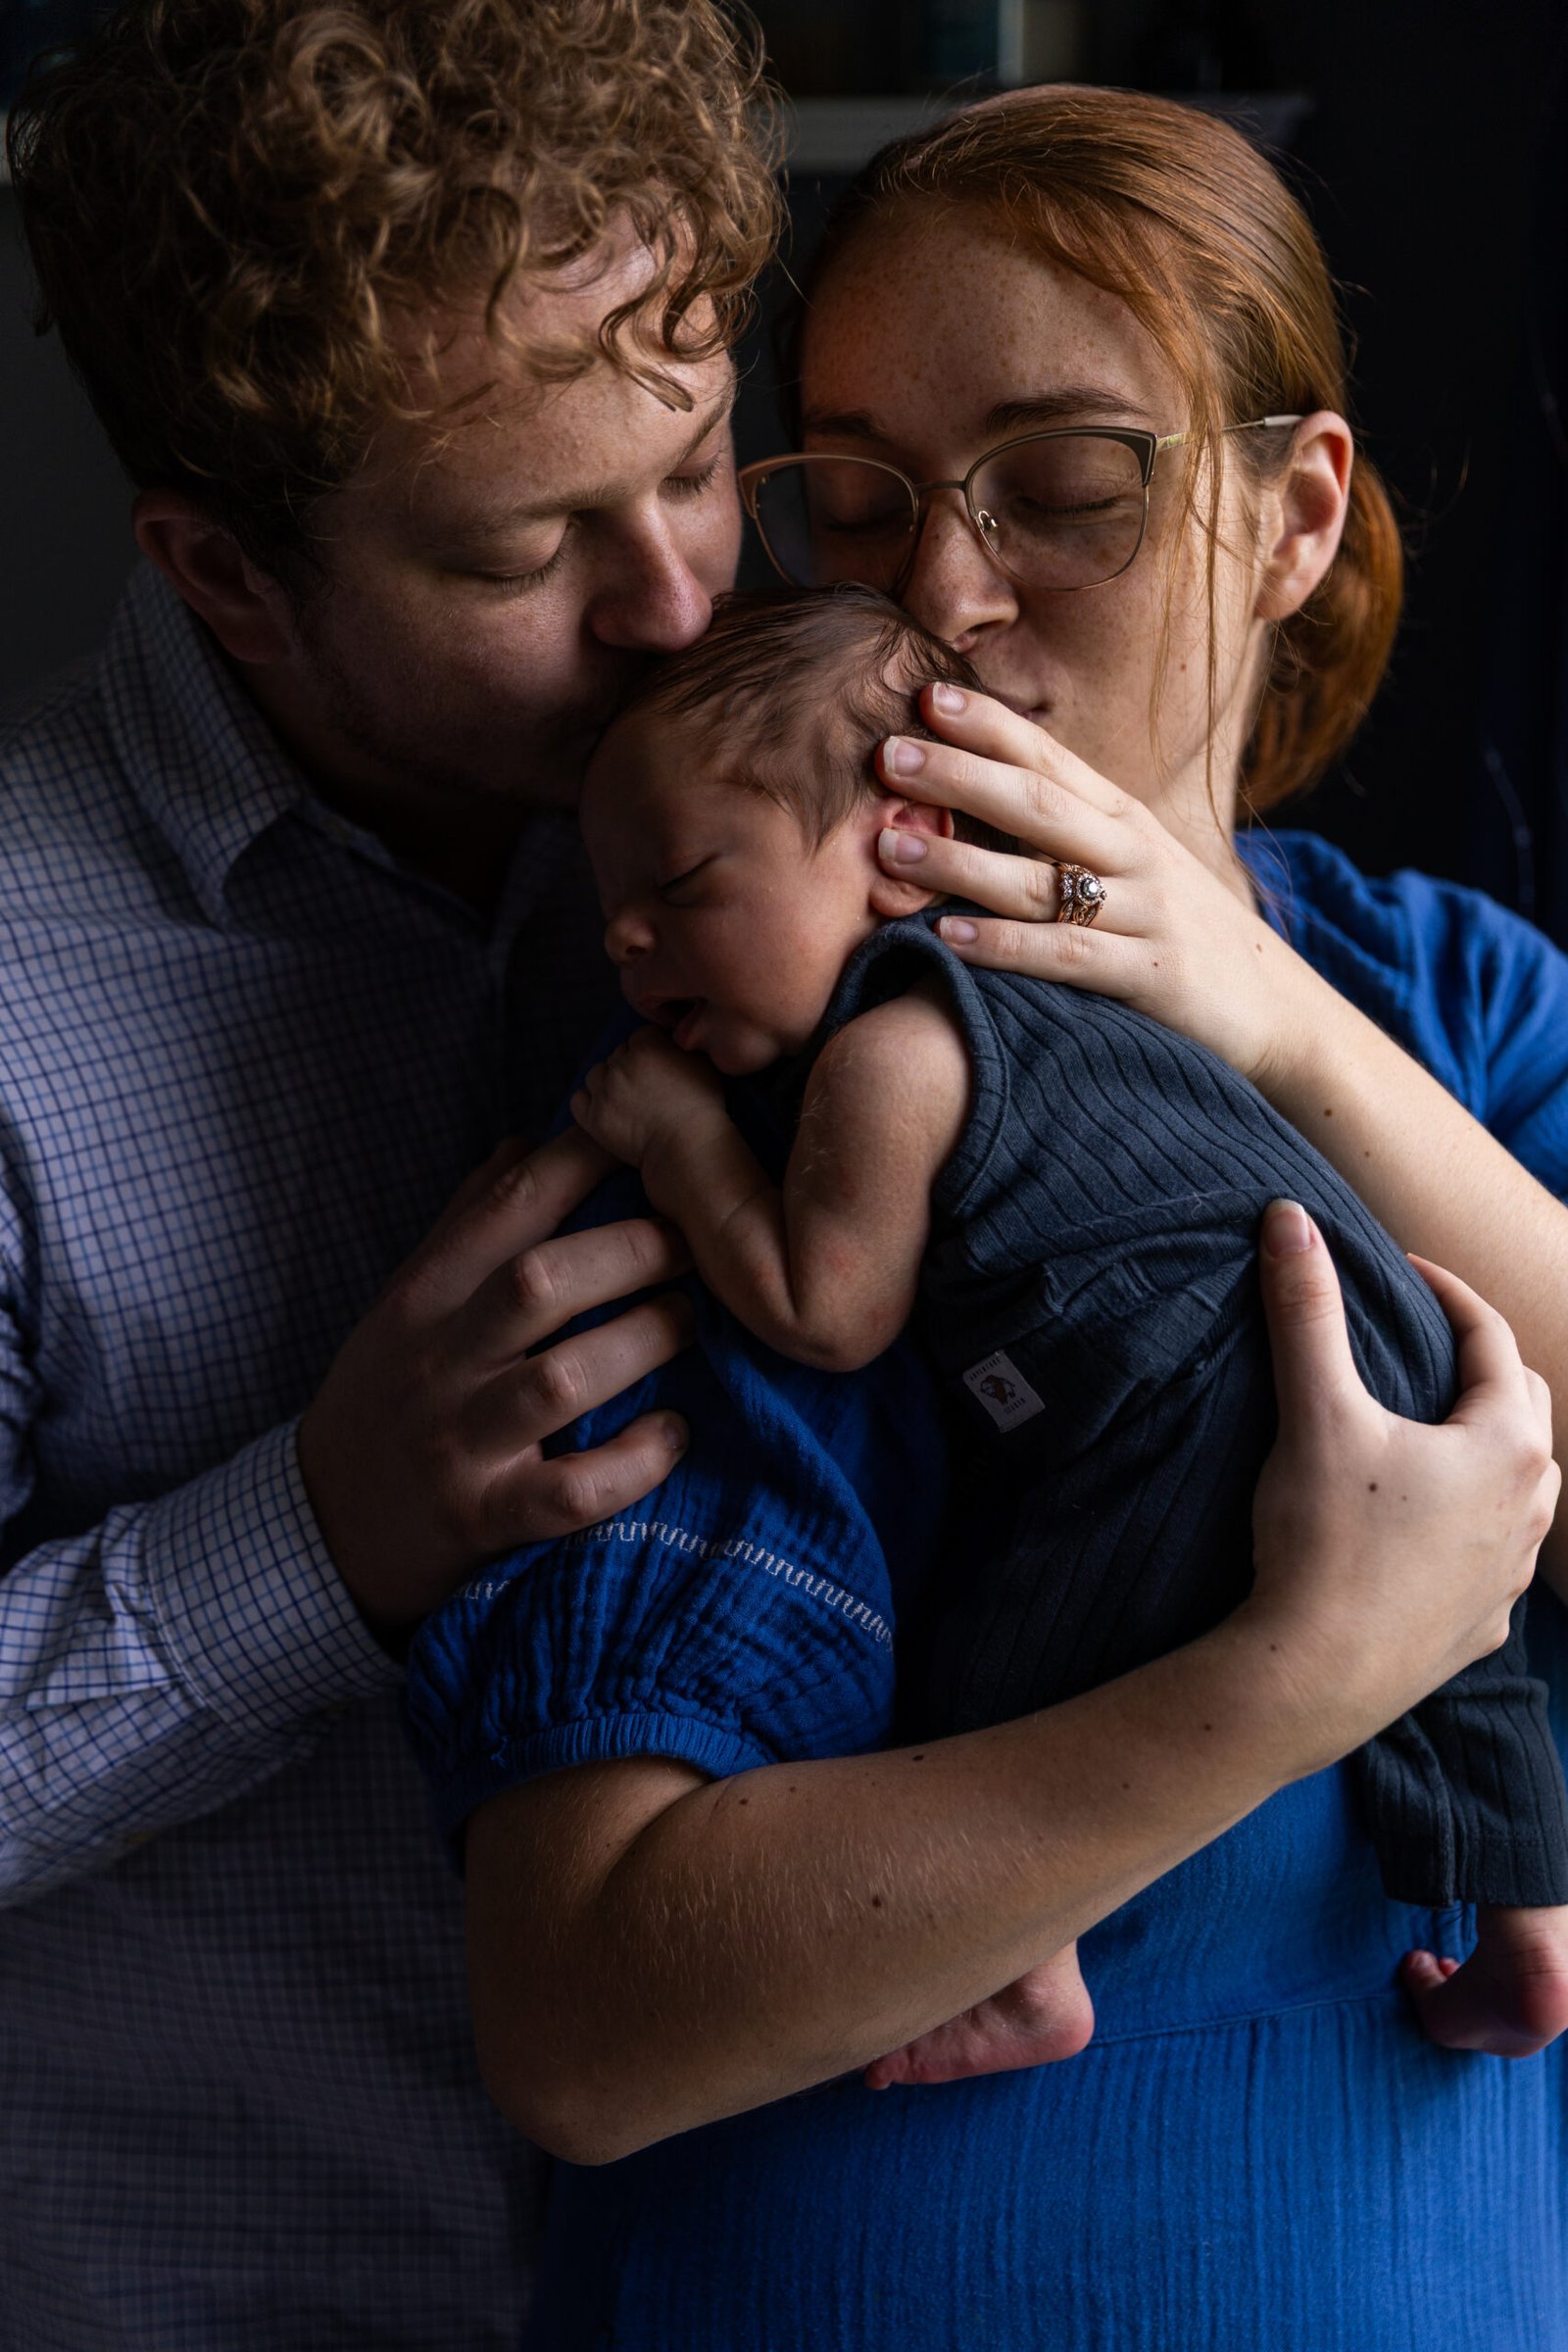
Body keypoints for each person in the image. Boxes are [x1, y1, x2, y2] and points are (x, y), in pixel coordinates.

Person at [0, 10, 1552, 2340]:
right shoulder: (125, 1017)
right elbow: (603, 1988)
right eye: (527, 543)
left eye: (714, 475)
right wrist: (306, 1537)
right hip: (274, 2271)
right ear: (225, 575)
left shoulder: (1272, 971)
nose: (680, 610)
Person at [566, 581, 1568, 2074]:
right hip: (1388, 1349)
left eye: (690, 882)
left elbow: (827, 1307)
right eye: (612, 913)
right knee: (1462, 1648)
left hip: (1177, 1404)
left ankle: (1024, 1959)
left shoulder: (890, 1052)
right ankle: (1530, 1921)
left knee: (1010, 1660)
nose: (630, 942)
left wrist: (680, 1145)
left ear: (899, 851)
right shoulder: (1085, 1000)